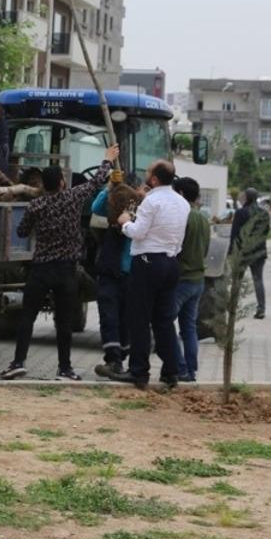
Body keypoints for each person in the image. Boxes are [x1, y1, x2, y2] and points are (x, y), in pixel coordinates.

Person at [0, 143, 119, 381]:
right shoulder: (72, 198)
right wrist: (107, 159)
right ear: (63, 183)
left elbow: (22, 232)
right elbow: (95, 182)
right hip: (66, 271)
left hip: (40, 269)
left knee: (27, 317)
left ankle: (18, 362)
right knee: (63, 321)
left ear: (43, 185)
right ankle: (64, 368)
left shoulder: (36, 205)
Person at [107, 160, 190, 388]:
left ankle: (139, 372)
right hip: (171, 262)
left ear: (154, 179)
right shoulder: (182, 203)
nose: (146, 173)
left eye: (148, 171)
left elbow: (138, 232)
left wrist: (124, 223)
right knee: (164, 320)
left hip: (147, 261)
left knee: (139, 318)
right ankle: (171, 371)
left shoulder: (151, 201)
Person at [90, 175, 137, 378]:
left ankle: (117, 358)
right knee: (112, 316)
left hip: (123, 274)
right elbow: (96, 207)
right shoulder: (115, 215)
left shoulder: (135, 218)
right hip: (113, 274)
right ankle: (115, 358)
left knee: (118, 316)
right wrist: (110, 187)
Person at [170, 177, 210, 383]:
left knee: (165, 323)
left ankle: (180, 368)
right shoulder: (203, 218)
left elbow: (175, 247)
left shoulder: (182, 217)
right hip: (198, 280)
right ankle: (191, 370)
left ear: (182, 195)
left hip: (182, 279)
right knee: (189, 327)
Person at [230, 188, 271, 318]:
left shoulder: (241, 213)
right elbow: (266, 232)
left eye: (243, 196)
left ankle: (233, 307)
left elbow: (234, 235)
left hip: (243, 252)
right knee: (258, 280)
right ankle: (261, 308)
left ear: (247, 198)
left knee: (237, 280)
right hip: (259, 251)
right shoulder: (264, 213)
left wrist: (231, 252)